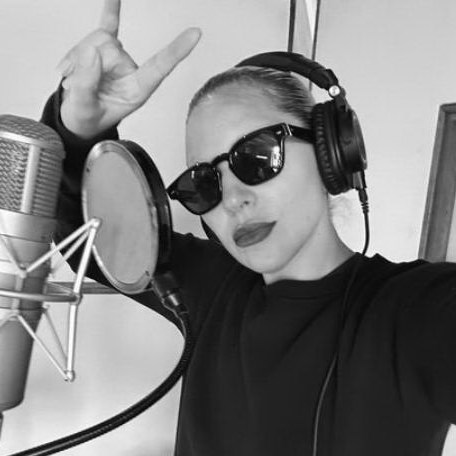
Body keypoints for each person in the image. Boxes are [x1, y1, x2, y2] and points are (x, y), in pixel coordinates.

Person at [40, 0, 456, 455]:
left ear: (331, 153)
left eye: (256, 157)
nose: (233, 199)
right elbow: (88, 236)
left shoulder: (415, 311)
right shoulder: (212, 288)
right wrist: (77, 133)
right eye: (204, 183)